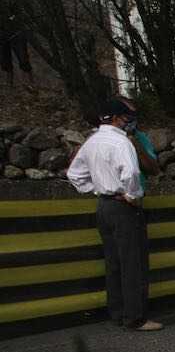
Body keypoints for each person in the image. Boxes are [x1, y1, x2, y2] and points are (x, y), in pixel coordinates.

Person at [67, 99, 162, 332]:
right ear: (119, 118)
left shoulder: (92, 141)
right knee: (133, 263)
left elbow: (74, 174)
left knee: (113, 263)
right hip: (123, 207)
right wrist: (132, 195)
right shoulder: (121, 142)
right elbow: (131, 172)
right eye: (127, 117)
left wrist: (97, 189)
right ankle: (135, 318)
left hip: (103, 206)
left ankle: (117, 313)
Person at [116, 96, 159, 187]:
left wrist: (137, 147)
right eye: (127, 116)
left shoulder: (140, 137)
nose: (132, 121)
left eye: (133, 116)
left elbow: (154, 170)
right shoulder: (99, 140)